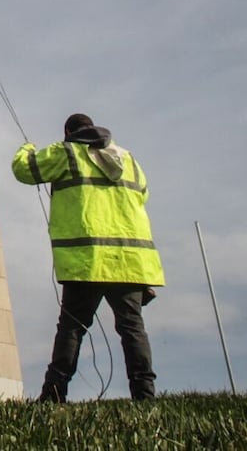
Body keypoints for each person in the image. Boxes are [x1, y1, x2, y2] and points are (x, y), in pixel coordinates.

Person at [12, 112, 164, 402]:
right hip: (128, 262)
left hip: (87, 260)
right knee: (133, 329)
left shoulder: (66, 152)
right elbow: (142, 196)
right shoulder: (128, 159)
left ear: (68, 131)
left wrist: (27, 147)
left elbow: (24, 170)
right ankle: (145, 395)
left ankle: (53, 395)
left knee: (71, 329)